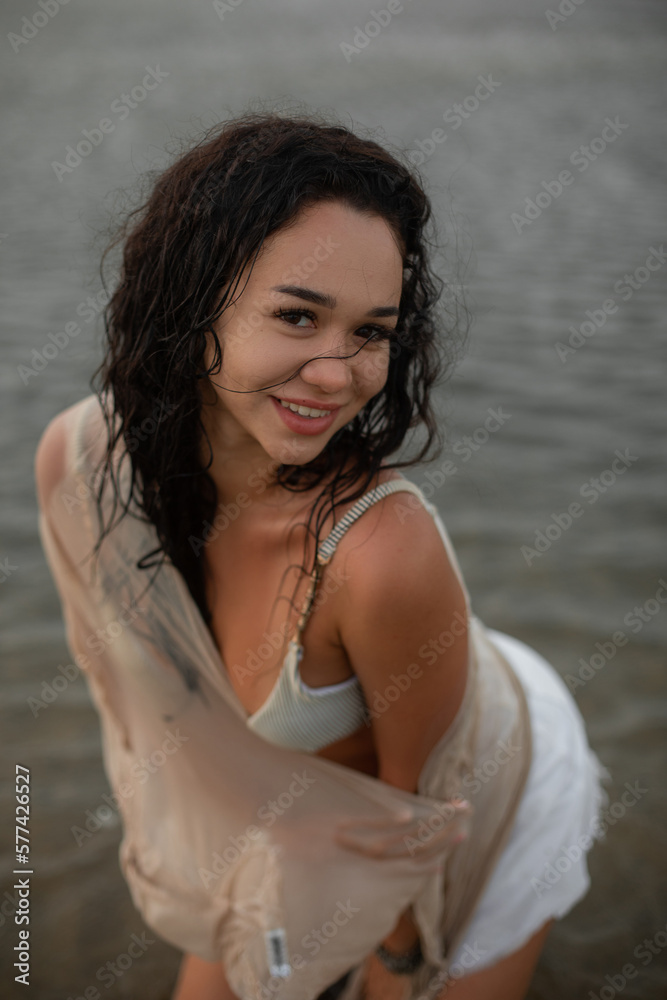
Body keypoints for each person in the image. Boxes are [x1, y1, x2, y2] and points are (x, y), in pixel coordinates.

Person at [35, 109, 610, 1000]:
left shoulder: (380, 557)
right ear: (193, 304)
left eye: (370, 333)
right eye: (298, 316)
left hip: (477, 778)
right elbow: (130, 702)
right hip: (302, 795)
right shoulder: (85, 467)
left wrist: (391, 954)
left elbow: (418, 819)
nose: (339, 374)